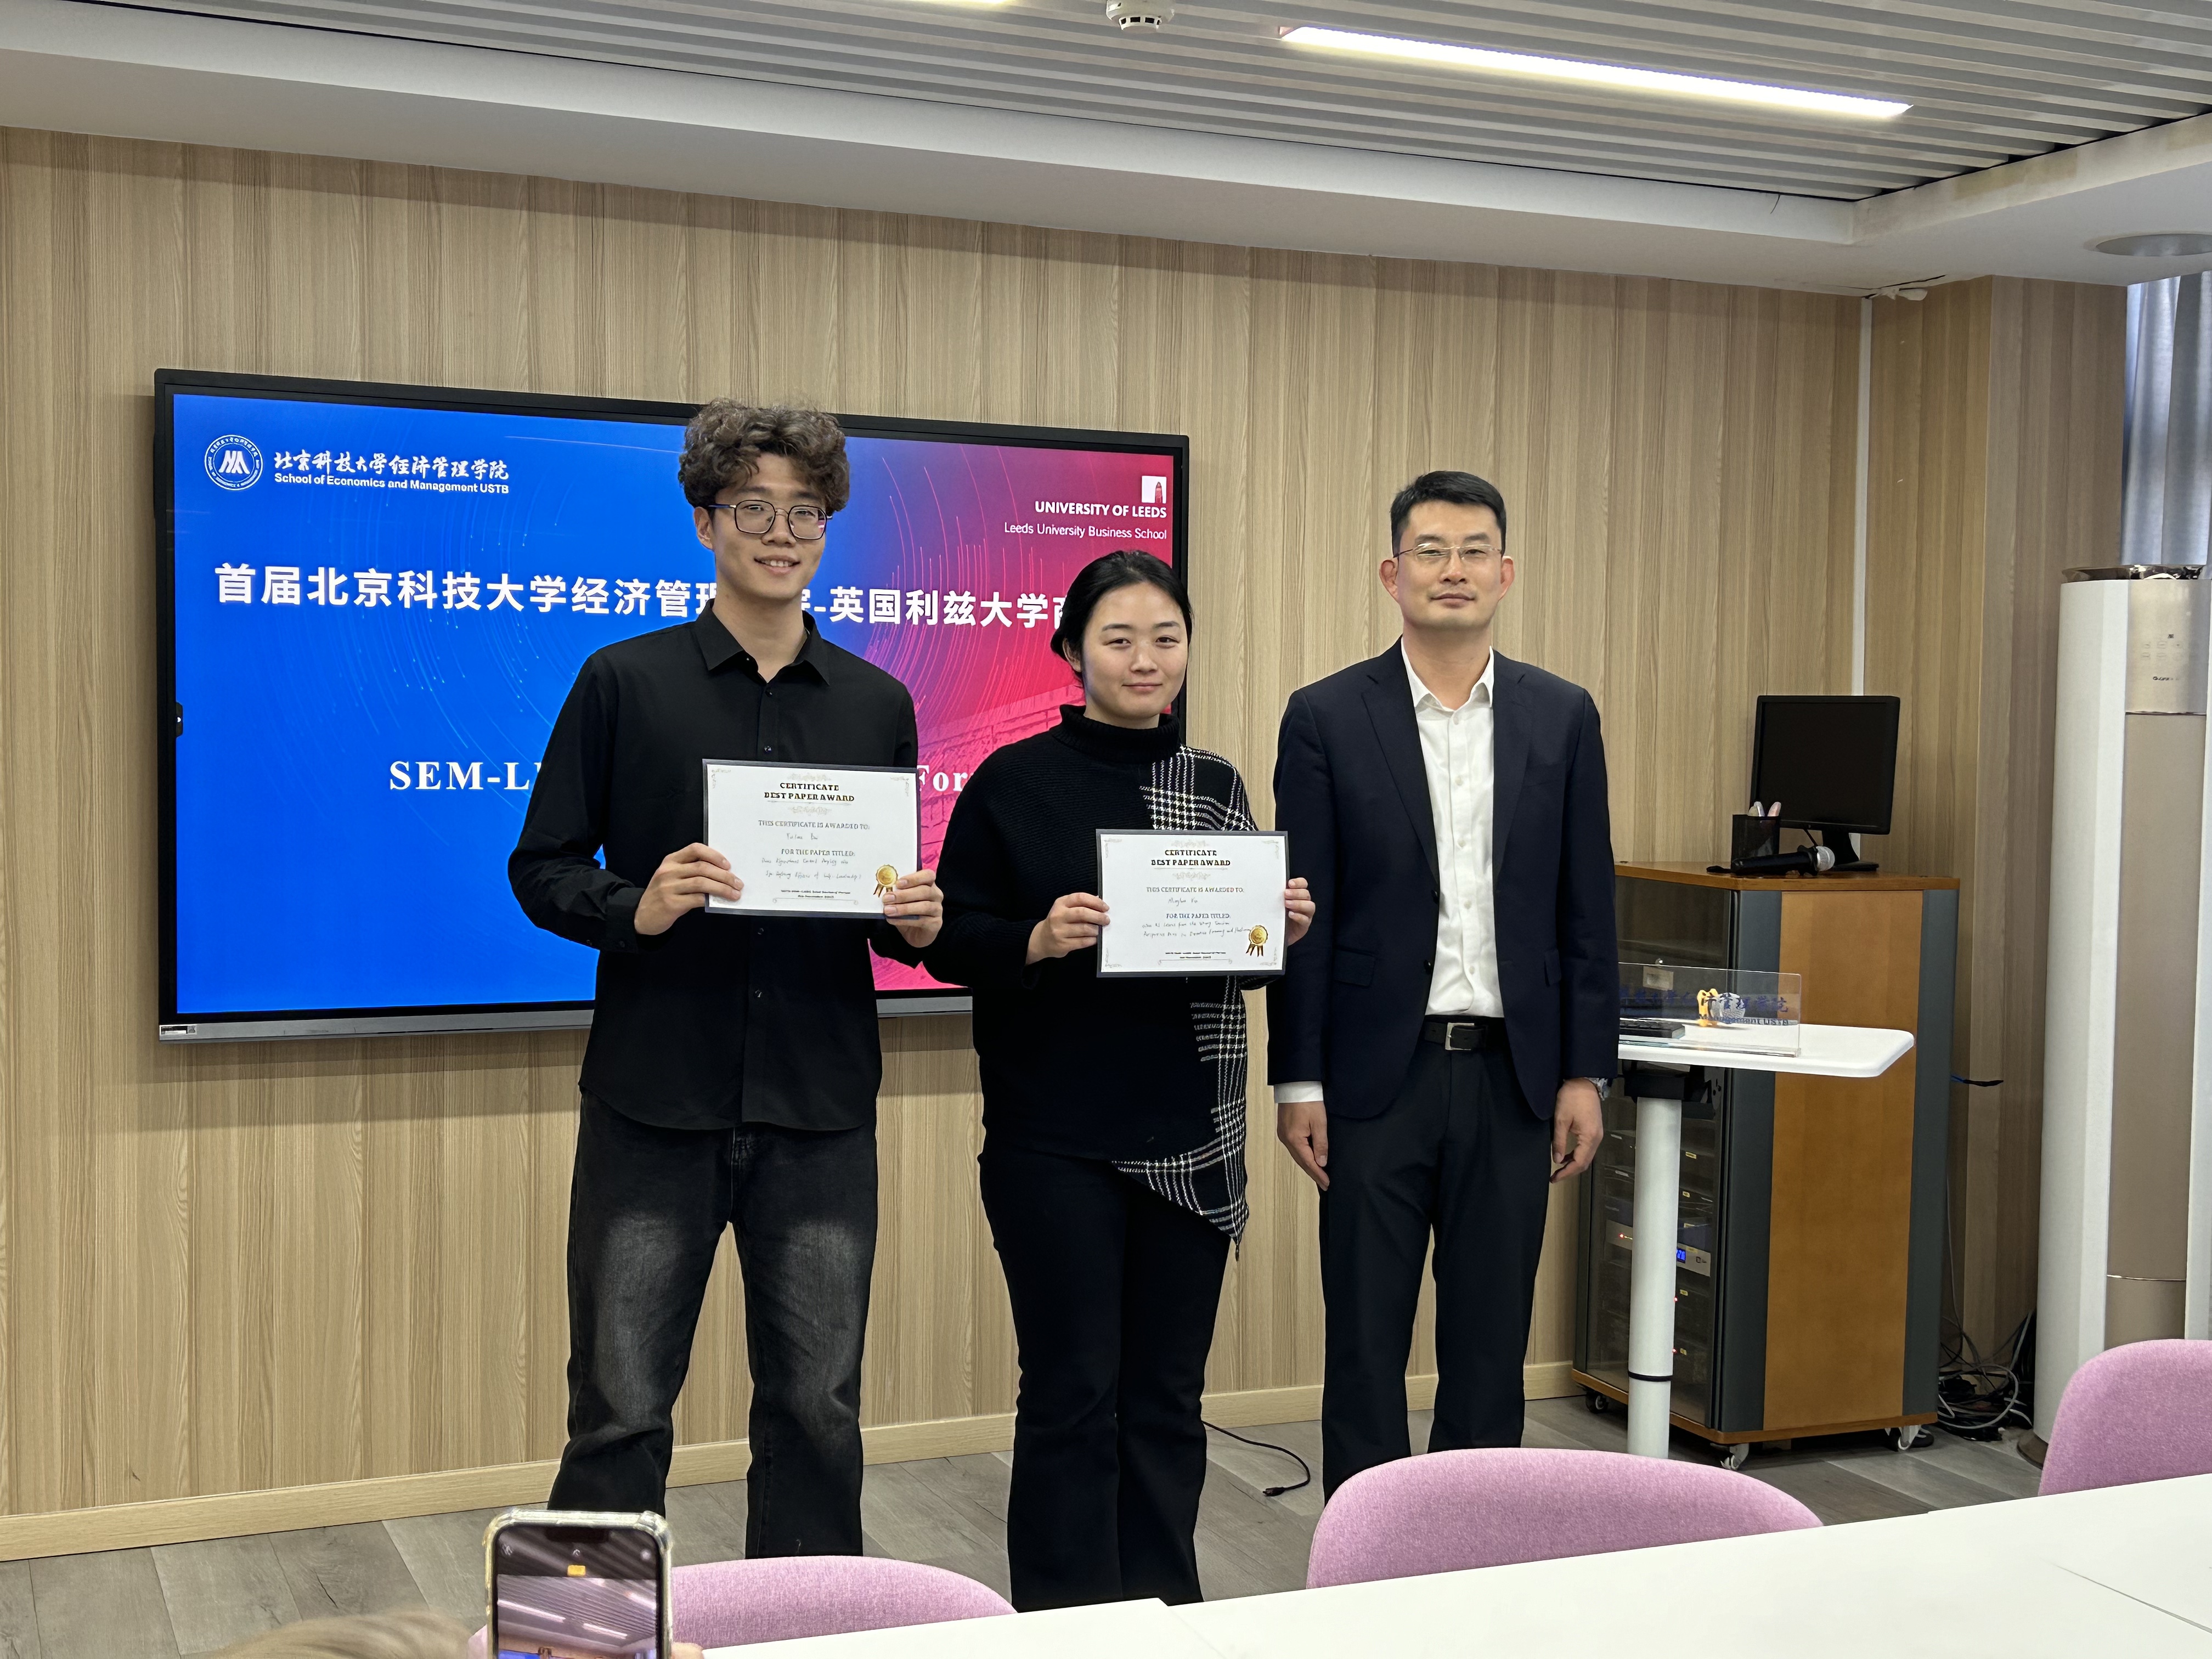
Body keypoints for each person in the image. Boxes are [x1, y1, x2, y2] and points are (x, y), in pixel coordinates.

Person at [510, 400, 944, 1550]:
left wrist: (915, 919)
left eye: (805, 512)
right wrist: (636, 906)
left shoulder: (877, 703)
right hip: (654, 1100)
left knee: (819, 1412)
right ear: (706, 521)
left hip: (820, 1107)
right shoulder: (624, 681)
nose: (781, 533)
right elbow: (540, 868)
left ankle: (802, 1629)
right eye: (753, 507)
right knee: (618, 1410)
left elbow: (885, 913)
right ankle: (591, 1632)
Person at [927, 551, 1313, 1611]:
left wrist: (1274, 930)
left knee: (1168, 1400)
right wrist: (1037, 937)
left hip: (1190, 1132)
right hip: (1053, 1139)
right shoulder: (1013, 780)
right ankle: (1062, 1622)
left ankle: (1163, 1613)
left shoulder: (1216, 784)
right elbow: (945, 936)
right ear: (1071, 651)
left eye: (1166, 639)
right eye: (1120, 639)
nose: (1147, 660)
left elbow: (1230, 959)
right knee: (1070, 1394)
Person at [1268, 470, 1616, 1496]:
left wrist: (1585, 1072)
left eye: (1473, 551)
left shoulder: (1563, 716)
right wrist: (1299, 1080)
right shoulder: (1327, 716)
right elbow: (1304, 918)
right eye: (1430, 550)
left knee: (1491, 1345)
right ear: (1393, 574)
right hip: (1376, 1079)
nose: (1452, 569)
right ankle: (1365, 1555)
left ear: (1506, 573)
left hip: (1517, 1077)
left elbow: (1586, 909)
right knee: (1363, 1341)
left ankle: (1474, 1549)